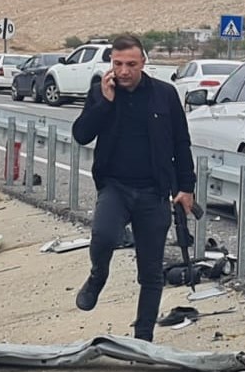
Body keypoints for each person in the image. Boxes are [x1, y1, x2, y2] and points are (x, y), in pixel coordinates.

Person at [71, 34, 196, 340]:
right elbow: (81, 134)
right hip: (115, 187)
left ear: (143, 63)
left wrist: (185, 187)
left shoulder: (164, 95)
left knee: (151, 273)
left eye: (131, 64)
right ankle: (97, 277)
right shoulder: (100, 92)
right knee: (104, 235)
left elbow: (181, 143)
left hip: (154, 191)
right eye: (117, 64)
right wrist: (105, 103)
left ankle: (143, 340)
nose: (123, 71)